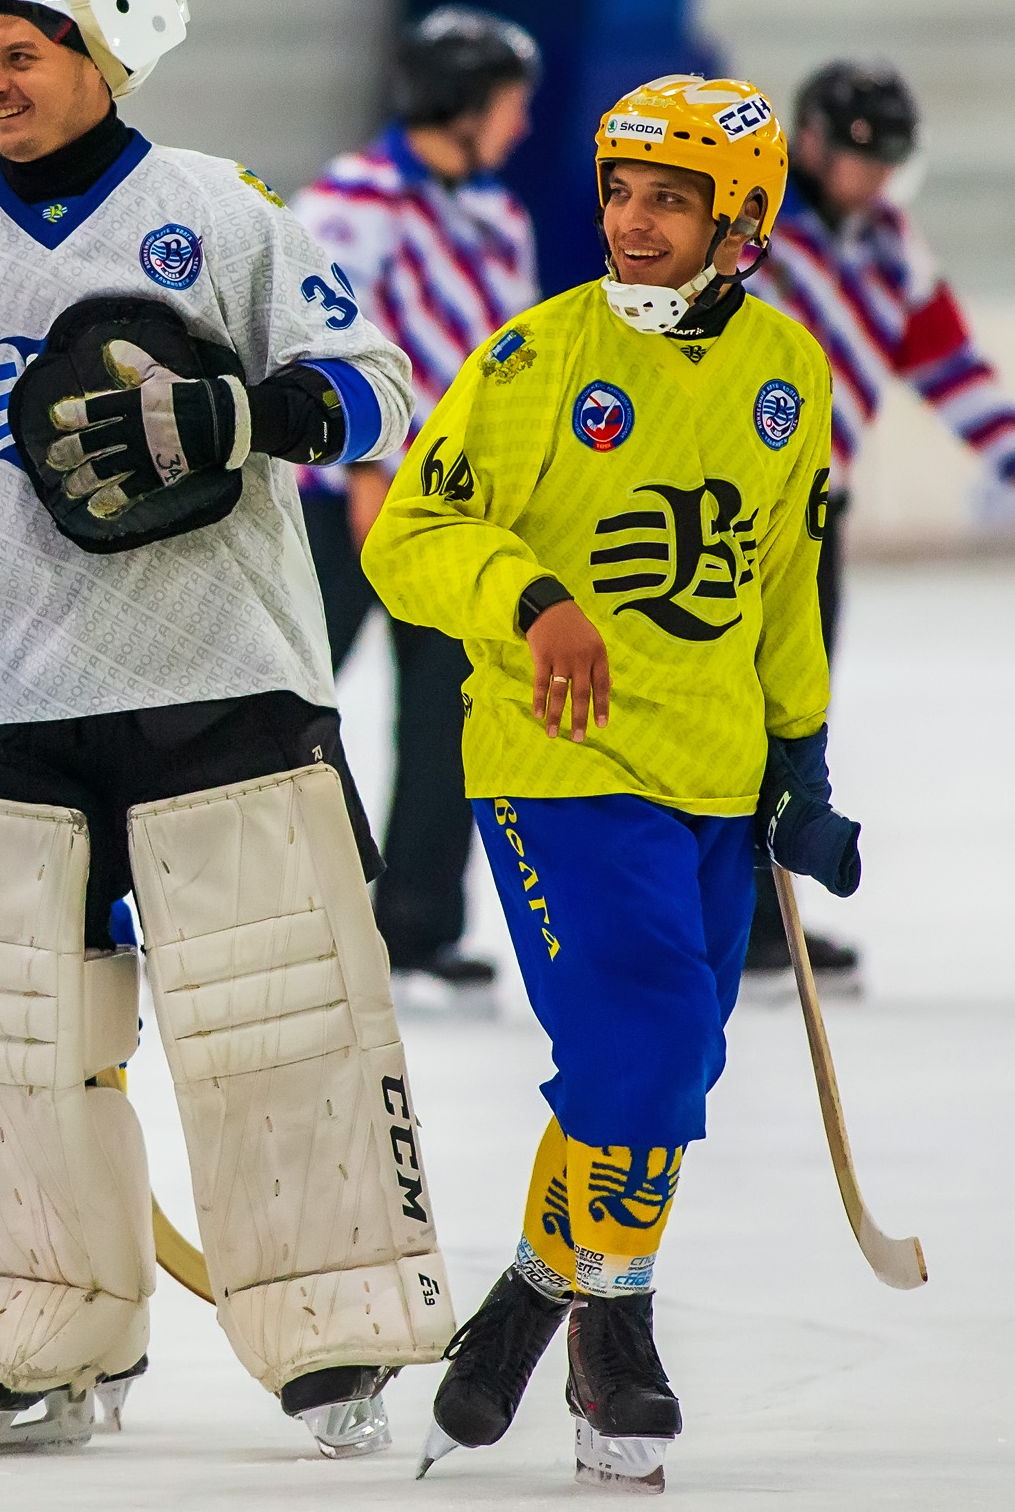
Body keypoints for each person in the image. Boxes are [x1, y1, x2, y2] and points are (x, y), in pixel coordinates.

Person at [0, 0, 454, 1462]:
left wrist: (253, 413)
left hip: (220, 677)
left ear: (109, 54)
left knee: (275, 1015)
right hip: (1, 691)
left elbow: (382, 393)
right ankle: (37, 1321)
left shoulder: (221, 212)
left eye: (23, 51)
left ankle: (333, 1317)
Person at [363, 75, 864, 1492]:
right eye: (620, 191)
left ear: (742, 218)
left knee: (659, 1075)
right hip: (555, 761)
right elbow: (412, 535)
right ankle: (620, 1324)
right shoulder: (534, 362)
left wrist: (804, 754)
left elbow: (780, 584)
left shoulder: (790, 375)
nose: (633, 223)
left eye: (670, 199)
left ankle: (535, 1286)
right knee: (642, 1047)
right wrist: (531, 602)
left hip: (714, 772)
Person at [743, 59, 1015, 986]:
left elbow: (950, 363)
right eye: (866, 160)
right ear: (812, 143)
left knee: (793, 712)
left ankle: (768, 914)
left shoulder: (890, 245)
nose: (875, 180)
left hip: (819, 512)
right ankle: (729, 915)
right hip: (729, 512)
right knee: (722, 710)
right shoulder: (753, 231)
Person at [291, 6, 542, 994]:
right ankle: (300, 905)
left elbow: (509, 359)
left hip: (457, 509)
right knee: (290, 702)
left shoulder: (493, 211)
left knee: (451, 715)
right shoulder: (352, 199)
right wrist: (367, 471)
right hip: (345, 502)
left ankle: (418, 925)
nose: (522, 125)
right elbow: (321, 338)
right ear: (466, 104)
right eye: (511, 105)